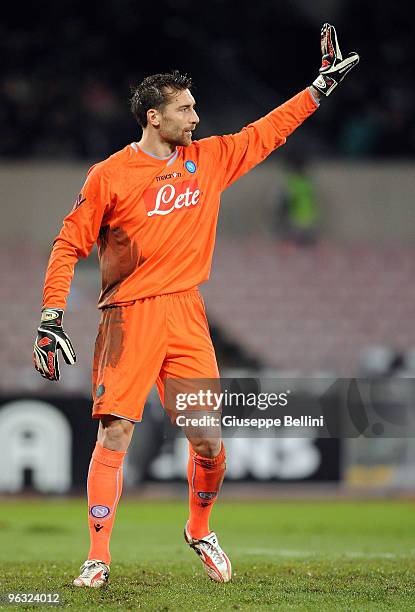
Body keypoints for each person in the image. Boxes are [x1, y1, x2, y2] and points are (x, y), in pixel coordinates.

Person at [33, 24, 359, 588]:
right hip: (128, 317)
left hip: (186, 314)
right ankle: (98, 557)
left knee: (208, 440)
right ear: (153, 117)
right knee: (115, 435)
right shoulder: (109, 175)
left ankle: (199, 528)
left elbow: (267, 132)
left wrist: (318, 89)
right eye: (185, 109)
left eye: (195, 108)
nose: (196, 118)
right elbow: (68, 244)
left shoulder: (208, 160)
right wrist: (50, 317)